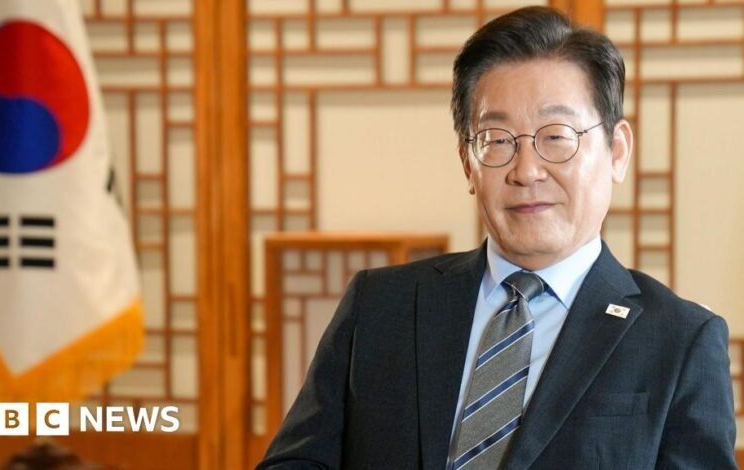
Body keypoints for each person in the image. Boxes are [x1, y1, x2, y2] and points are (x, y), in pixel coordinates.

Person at [257, 6, 736, 469]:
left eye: (556, 136)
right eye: (497, 140)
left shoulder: (680, 342)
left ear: (616, 152)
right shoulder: (379, 307)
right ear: (468, 164)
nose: (526, 171)